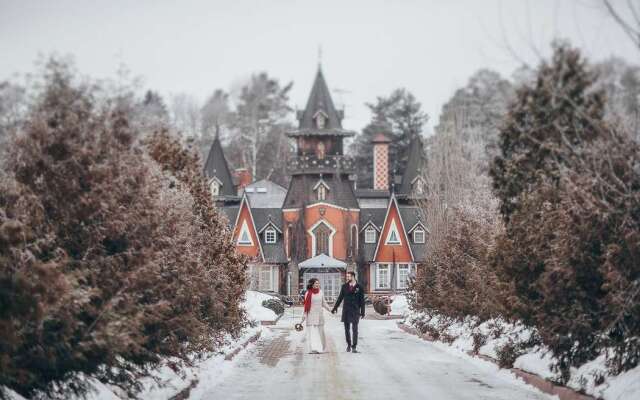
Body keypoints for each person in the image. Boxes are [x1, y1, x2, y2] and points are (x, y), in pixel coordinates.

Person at [331, 271, 365, 353]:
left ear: (353, 276)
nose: (347, 278)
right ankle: (349, 344)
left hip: (355, 310)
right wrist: (335, 308)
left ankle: (354, 346)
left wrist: (362, 311)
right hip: (346, 310)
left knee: (355, 329)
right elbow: (340, 298)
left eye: (349, 276)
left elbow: (362, 301)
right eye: (347, 277)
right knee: (346, 329)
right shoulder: (344, 286)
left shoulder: (359, 287)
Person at [300, 278, 329, 354]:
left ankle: (321, 348)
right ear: (312, 284)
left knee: (320, 332)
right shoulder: (308, 293)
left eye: (318, 283)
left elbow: (324, 303)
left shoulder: (321, 292)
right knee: (312, 333)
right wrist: (304, 316)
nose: (317, 285)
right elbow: (306, 306)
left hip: (319, 315)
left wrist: (330, 309)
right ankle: (313, 349)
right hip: (311, 315)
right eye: (316, 283)